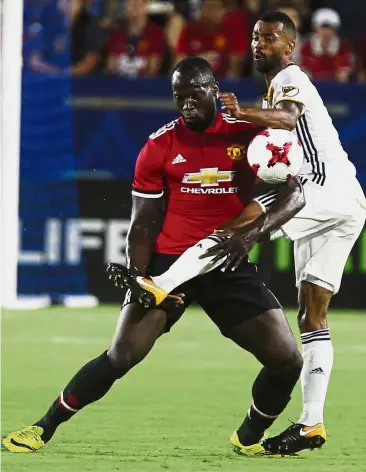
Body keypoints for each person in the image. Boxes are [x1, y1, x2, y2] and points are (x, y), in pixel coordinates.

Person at [2, 57, 305, 456]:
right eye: (179, 98)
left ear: (214, 89)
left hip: (225, 260)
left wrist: (250, 234)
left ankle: (247, 437)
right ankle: (43, 427)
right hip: (169, 264)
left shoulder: (251, 133)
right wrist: (139, 276)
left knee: (287, 360)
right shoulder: (159, 146)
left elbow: (295, 194)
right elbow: (142, 223)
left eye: (194, 95)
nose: (186, 105)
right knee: (121, 355)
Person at [116, 12, 366, 455]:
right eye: (255, 37)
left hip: (319, 191)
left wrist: (240, 110)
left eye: (269, 39)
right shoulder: (275, 84)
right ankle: (311, 425)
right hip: (349, 203)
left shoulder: (290, 77)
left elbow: (287, 119)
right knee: (312, 317)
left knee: (232, 229)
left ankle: (160, 284)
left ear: (289, 46)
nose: (259, 45)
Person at [175, 0, 247, 78]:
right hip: (193, 80)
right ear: (201, 9)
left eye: (215, 8)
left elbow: (237, 57)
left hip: (223, 80)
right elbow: (180, 57)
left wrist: (229, 83)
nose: (211, 11)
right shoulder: (190, 28)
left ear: (224, 10)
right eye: (207, 7)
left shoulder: (233, 28)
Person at [107, 0, 165, 77]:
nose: (135, 5)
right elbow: (110, 68)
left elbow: (153, 69)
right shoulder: (116, 36)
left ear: (147, 5)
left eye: (140, 2)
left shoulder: (156, 34)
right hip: (118, 85)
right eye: (131, 2)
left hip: (145, 86)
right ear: (125, 5)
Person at [300, 8, 353, 82]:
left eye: (330, 28)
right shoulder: (306, 47)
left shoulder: (344, 47)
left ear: (335, 29)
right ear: (315, 28)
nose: (326, 32)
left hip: (336, 87)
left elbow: (344, 72)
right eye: (322, 28)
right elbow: (305, 72)